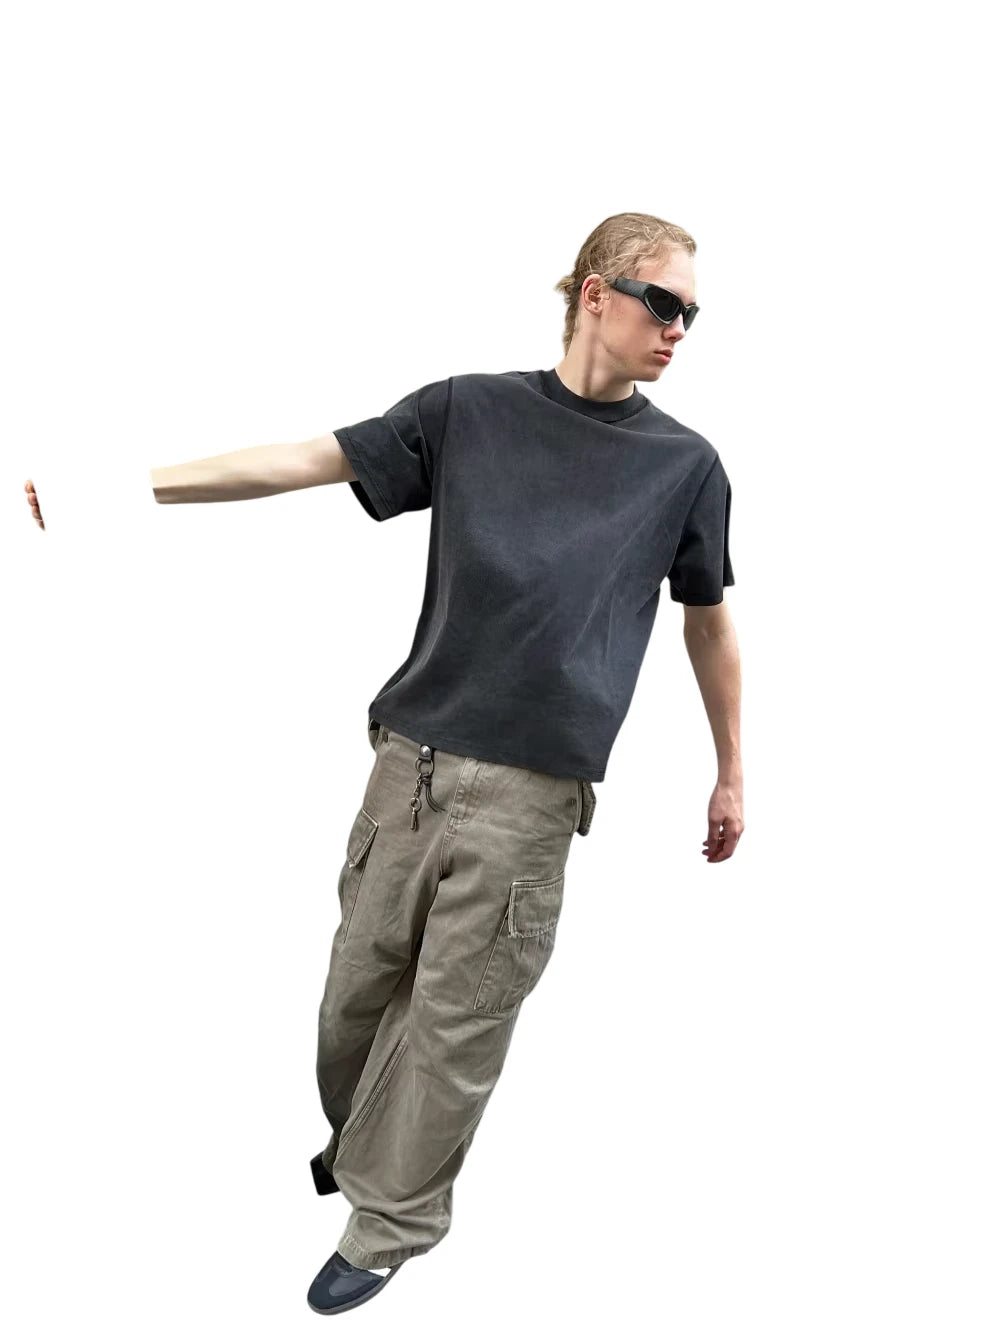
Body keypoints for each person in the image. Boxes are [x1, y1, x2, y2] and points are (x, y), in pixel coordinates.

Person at [24, 210, 744, 1316]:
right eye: (665, 304)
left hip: (529, 797)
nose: (679, 329)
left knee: (456, 1026)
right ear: (596, 293)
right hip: (408, 769)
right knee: (354, 1003)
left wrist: (730, 768)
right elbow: (300, 460)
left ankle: (393, 1221)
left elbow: (708, 621)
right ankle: (365, 1144)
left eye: (693, 313)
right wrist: (118, 489)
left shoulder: (684, 467)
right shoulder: (469, 412)